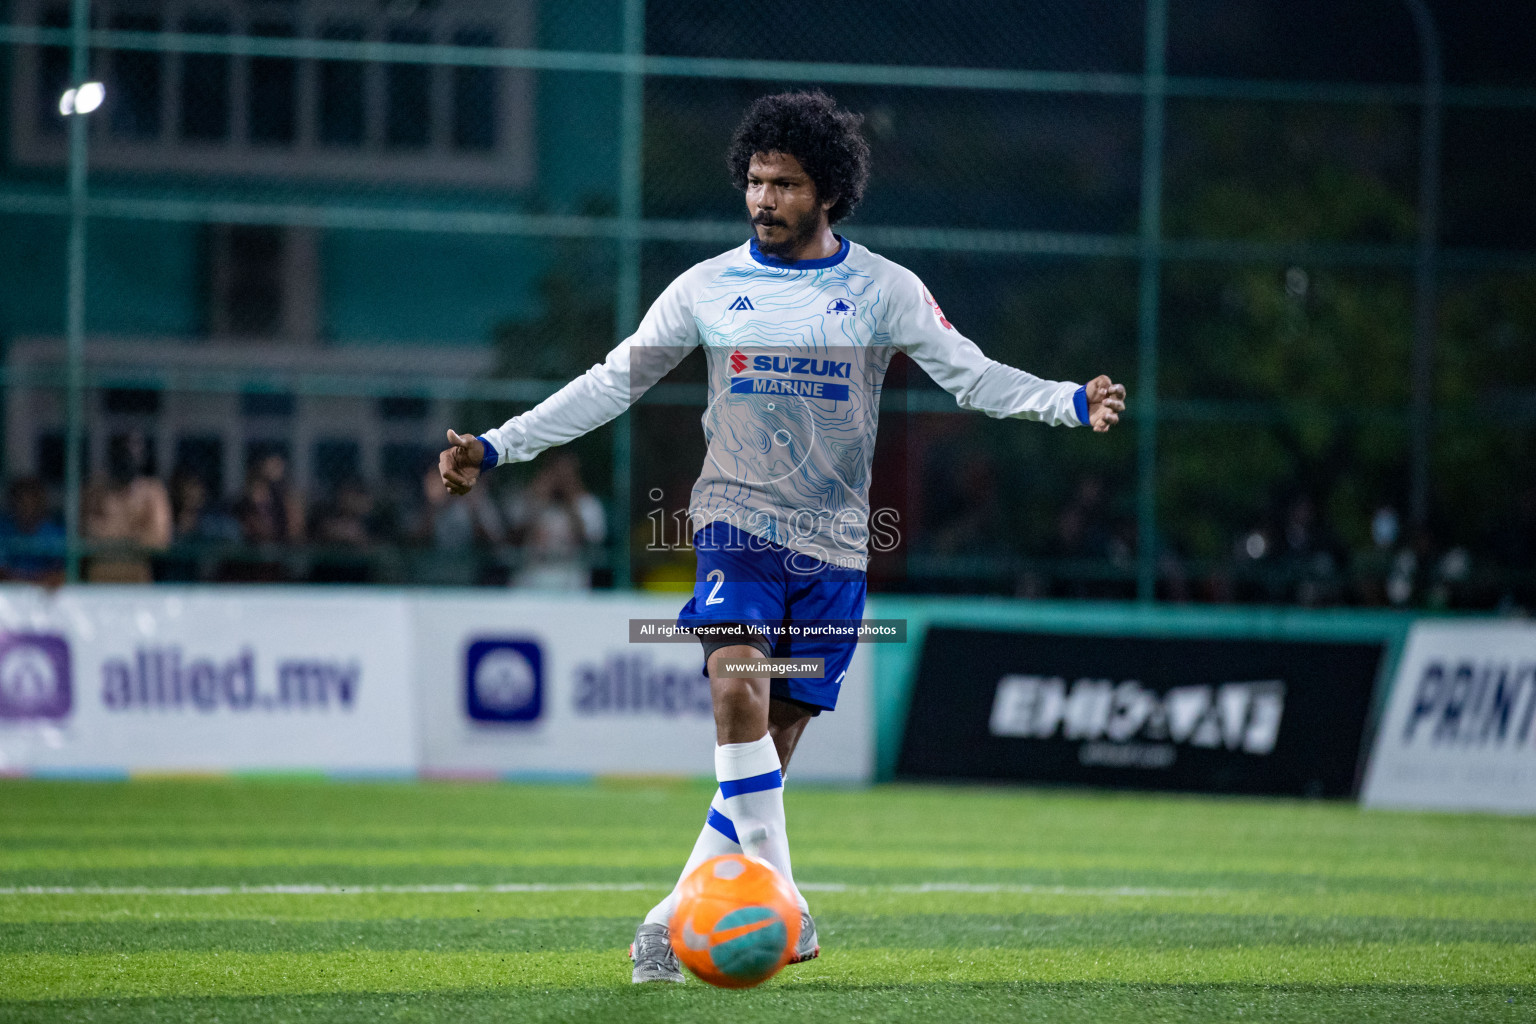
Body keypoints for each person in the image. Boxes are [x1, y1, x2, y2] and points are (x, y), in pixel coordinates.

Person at [438, 91, 1126, 983]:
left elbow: (973, 377)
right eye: (756, 182)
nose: (765, 200)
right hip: (735, 526)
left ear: (829, 192)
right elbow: (610, 383)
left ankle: (668, 919)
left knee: (772, 745)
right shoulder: (708, 287)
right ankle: (788, 905)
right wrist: (497, 446)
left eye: (786, 185)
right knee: (736, 691)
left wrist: (1067, 402)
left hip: (836, 548)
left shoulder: (882, 290)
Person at [503, 452, 606, 590]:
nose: (561, 481)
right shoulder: (528, 500)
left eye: (566, 474)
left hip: (571, 579)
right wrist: (537, 501)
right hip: (531, 578)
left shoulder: (588, 504)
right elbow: (511, 540)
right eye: (557, 473)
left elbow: (592, 544)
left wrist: (570, 503)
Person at [83, 432, 172, 583]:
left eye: (132, 455)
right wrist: (134, 530)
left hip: (136, 581)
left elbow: (159, 538)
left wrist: (112, 530)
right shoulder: (95, 490)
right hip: (99, 581)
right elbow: (87, 532)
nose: (126, 460)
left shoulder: (152, 491)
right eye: (121, 454)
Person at [0, 477, 65, 585]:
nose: (27, 507)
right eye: (21, 501)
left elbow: (61, 572)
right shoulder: (3, 531)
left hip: (45, 597)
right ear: (12, 503)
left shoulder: (55, 533)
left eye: (32, 501)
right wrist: (31, 582)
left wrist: (32, 582)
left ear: (42, 503)